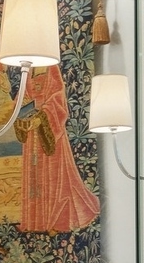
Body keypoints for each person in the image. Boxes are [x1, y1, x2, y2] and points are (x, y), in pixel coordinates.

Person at [17, 65, 100, 233]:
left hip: (48, 129)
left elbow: (58, 98)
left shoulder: (51, 67)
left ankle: (53, 221)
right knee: (35, 175)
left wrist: (42, 117)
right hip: (32, 131)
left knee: (53, 176)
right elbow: (22, 97)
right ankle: (35, 223)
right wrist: (22, 113)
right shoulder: (28, 69)